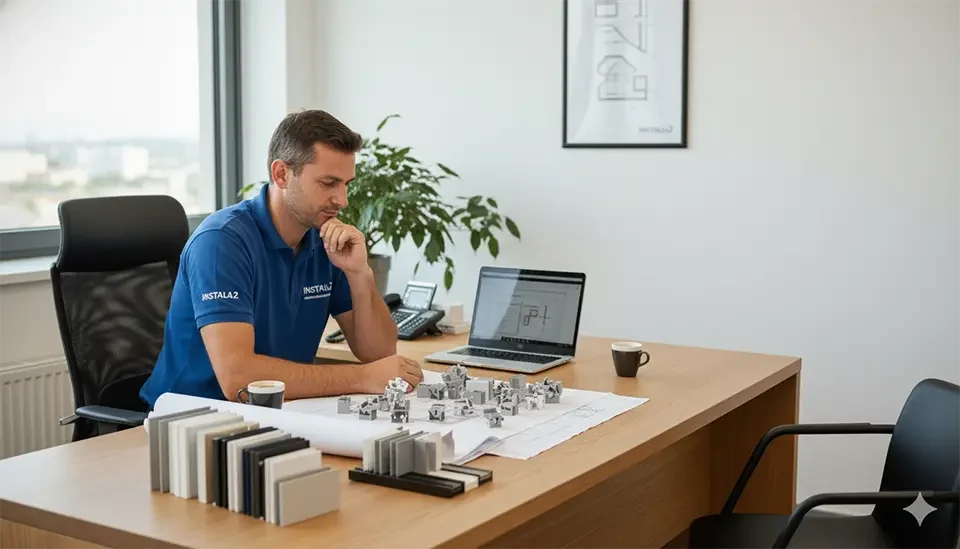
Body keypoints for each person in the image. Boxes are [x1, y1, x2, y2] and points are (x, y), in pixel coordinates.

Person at [139, 110, 424, 409]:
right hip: (190, 420)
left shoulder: (325, 239)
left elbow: (380, 356)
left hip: (276, 414)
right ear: (281, 174)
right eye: (328, 183)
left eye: (346, 184)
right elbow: (239, 378)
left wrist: (359, 273)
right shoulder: (221, 242)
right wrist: (361, 377)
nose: (342, 200)